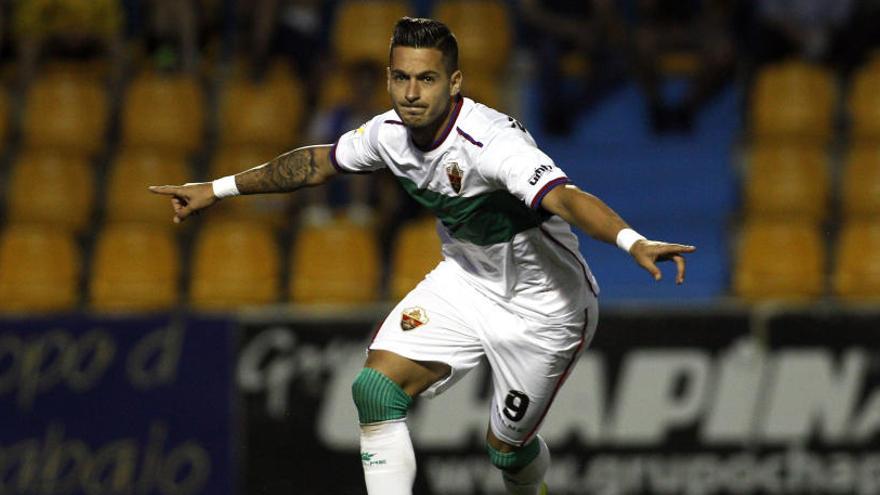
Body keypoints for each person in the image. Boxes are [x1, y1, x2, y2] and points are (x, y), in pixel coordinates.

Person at [150, 17, 696, 495]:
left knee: (506, 454)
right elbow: (317, 163)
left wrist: (633, 241)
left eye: (426, 79)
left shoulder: (491, 145)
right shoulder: (388, 135)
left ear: (454, 83)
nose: (411, 93)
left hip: (546, 311)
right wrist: (216, 189)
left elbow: (565, 197)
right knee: (374, 390)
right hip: (464, 283)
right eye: (401, 78)